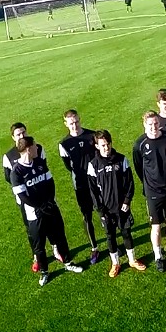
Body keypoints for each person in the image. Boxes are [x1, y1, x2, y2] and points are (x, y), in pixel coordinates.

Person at [5, 123, 73, 270]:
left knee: (58, 234)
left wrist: (48, 201)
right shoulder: (11, 161)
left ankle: (63, 257)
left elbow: (49, 181)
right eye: (18, 134)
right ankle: (43, 268)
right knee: (36, 237)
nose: (22, 135)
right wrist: (39, 205)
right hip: (31, 208)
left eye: (23, 132)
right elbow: (12, 183)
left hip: (48, 203)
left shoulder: (39, 158)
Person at [88, 130, 145, 277]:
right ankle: (115, 263)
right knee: (110, 236)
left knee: (126, 233)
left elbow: (129, 183)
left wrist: (127, 201)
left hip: (122, 207)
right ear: (96, 146)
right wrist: (101, 211)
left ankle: (132, 260)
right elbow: (93, 191)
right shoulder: (93, 165)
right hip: (106, 210)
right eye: (102, 145)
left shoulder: (121, 159)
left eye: (108, 144)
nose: (106, 148)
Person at [132, 112, 166, 271]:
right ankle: (158, 256)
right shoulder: (139, 144)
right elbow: (139, 167)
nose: (153, 127)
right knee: (156, 226)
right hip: (153, 192)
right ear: (144, 125)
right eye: (150, 124)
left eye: (155, 124)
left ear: (159, 123)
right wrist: (148, 184)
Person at [57, 111, 103, 266]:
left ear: (79, 119)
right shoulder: (64, 144)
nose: (74, 125)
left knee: (105, 211)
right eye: (71, 123)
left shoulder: (92, 136)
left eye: (76, 121)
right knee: (87, 216)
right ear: (66, 124)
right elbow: (68, 166)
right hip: (81, 185)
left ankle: (113, 243)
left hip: (97, 181)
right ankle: (94, 247)